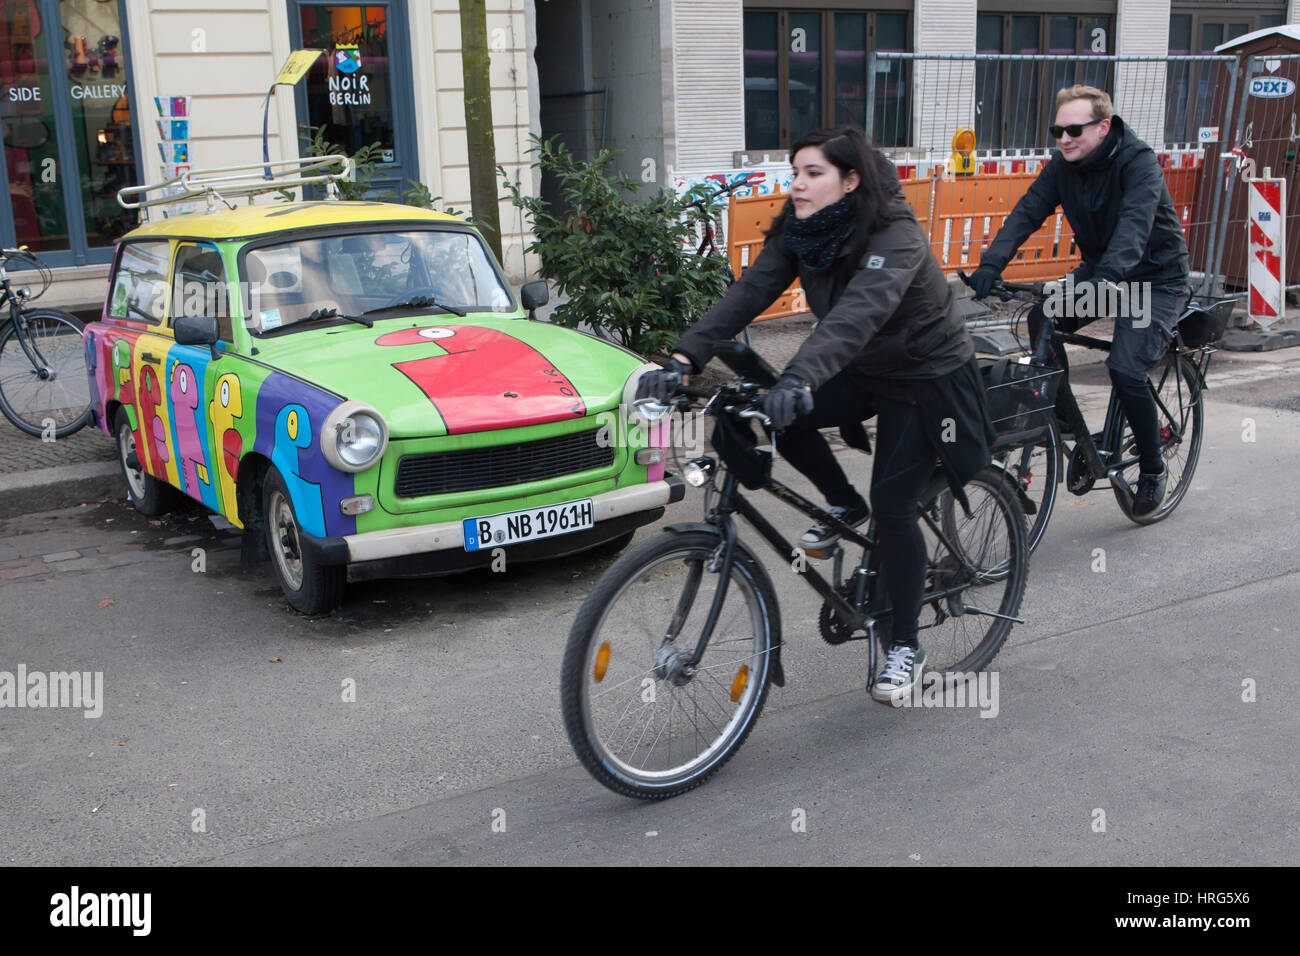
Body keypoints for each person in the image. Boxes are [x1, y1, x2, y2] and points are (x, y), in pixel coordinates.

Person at [637, 126, 994, 703]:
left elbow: (859, 310)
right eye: (794, 171)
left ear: (850, 180)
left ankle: (905, 646)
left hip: (926, 378)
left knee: (895, 507)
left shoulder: (894, 232)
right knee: (767, 414)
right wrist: (683, 358)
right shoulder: (802, 231)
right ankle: (839, 503)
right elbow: (749, 292)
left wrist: (800, 376)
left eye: (812, 173)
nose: (796, 184)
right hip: (863, 368)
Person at [967, 85, 1191, 516]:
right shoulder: (1062, 167)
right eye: (1058, 131)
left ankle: (1152, 468)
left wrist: (1104, 280)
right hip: (1101, 271)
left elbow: (1135, 225)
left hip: (1153, 280)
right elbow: (1027, 213)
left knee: (1125, 369)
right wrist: (991, 264)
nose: (1064, 138)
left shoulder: (1138, 162)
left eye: (1074, 129)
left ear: (1104, 127)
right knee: (1042, 319)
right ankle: (1068, 423)